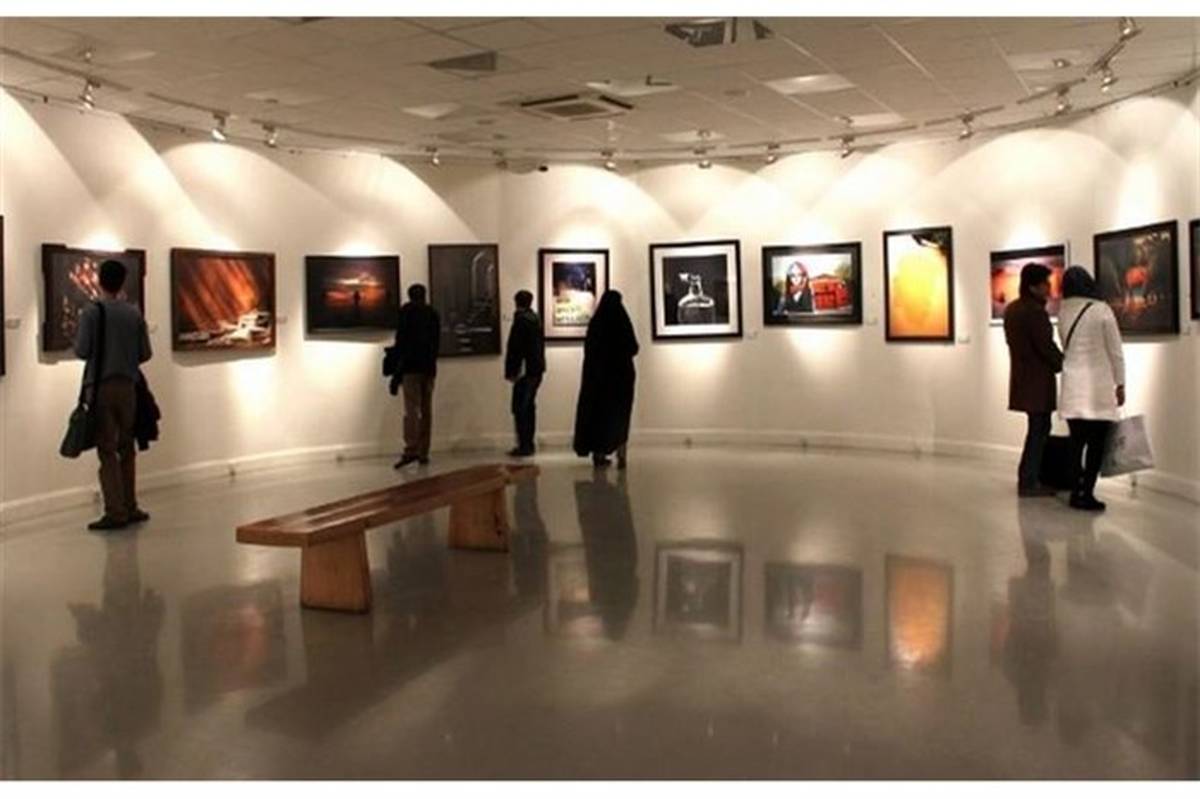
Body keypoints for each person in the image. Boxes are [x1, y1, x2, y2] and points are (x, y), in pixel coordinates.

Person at [73, 259, 153, 530]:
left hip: (101, 387)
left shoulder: (92, 313)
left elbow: (82, 350)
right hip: (128, 387)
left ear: (99, 280)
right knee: (127, 447)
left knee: (107, 450)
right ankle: (131, 506)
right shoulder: (133, 313)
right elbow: (145, 353)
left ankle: (115, 511)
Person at [1058, 266, 1126, 512]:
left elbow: (1065, 345)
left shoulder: (1063, 311)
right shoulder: (1101, 310)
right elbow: (1115, 351)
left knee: (1076, 443)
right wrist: (1120, 382)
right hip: (1097, 386)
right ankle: (1087, 492)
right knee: (1097, 444)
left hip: (1073, 386)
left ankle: (1075, 491)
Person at [1003, 262, 1064, 497]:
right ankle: (1029, 480)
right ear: (1033, 287)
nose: (1049, 287)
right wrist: (1064, 363)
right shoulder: (1035, 312)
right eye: (1044, 283)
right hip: (1037, 381)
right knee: (1039, 429)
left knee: (1037, 428)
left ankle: (1028, 477)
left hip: (1023, 379)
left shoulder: (1012, 309)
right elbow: (1045, 346)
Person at [573, 290, 638, 468]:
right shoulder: (622, 322)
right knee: (620, 417)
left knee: (599, 417)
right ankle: (621, 454)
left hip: (599, 380)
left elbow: (590, 352)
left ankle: (599, 453)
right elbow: (633, 347)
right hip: (621, 380)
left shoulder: (596, 324)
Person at [389, 284, 440, 468]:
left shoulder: (406, 313)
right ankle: (424, 451)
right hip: (428, 368)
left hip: (410, 368)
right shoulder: (432, 313)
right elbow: (436, 343)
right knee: (426, 410)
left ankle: (411, 449)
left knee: (411, 410)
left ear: (409, 296)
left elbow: (401, 343)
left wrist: (396, 374)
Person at [504, 290, 546, 458]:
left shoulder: (521, 321)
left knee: (520, 408)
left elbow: (516, 349)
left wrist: (511, 371)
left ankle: (524, 445)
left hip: (524, 371)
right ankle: (529, 443)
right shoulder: (535, 320)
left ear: (517, 302)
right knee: (529, 407)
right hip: (536, 369)